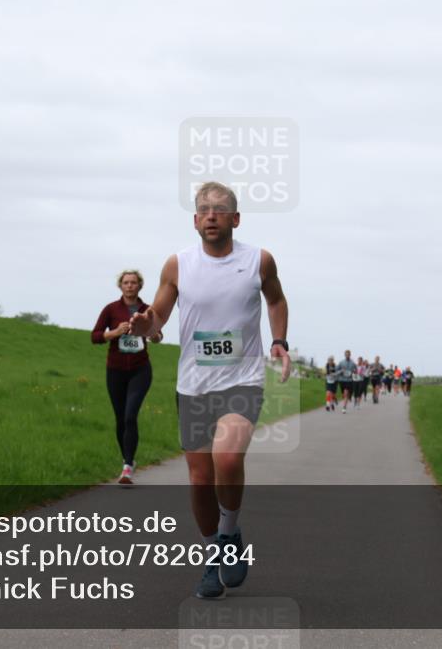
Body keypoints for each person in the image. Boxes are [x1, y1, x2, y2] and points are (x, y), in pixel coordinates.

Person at [129, 181, 290, 600]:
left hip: (242, 380)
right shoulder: (178, 265)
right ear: (196, 220)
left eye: (220, 209)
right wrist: (148, 326)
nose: (212, 215)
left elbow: (275, 301)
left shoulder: (259, 260)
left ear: (235, 219)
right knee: (200, 482)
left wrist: (279, 341)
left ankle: (229, 530)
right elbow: (158, 314)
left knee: (227, 456)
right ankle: (218, 551)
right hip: (194, 385)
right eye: (204, 209)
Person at [91, 270, 162, 484]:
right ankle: (127, 459)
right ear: (120, 286)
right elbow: (95, 336)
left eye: (133, 283)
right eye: (126, 282)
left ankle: (127, 467)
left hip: (140, 370)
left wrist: (149, 331)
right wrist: (114, 332)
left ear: (140, 286)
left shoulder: (147, 309)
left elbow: (158, 337)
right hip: (115, 370)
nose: (129, 286)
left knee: (131, 416)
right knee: (120, 418)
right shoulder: (111, 309)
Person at [336, 350, 357, 414]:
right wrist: (341, 371)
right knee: (343, 394)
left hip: (349, 380)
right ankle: (344, 400)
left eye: (348, 354)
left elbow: (355, 371)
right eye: (346, 354)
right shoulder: (341, 362)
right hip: (342, 380)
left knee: (346, 393)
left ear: (350, 355)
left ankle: (344, 407)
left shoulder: (353, 363)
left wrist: (353, 372)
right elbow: (337, 370)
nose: (347, 355)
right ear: (345, 355)